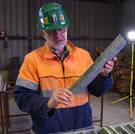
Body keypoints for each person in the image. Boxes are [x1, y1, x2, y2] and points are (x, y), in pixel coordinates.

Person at [14, 3, 117, 134]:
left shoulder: (83, 56)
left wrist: (104, 75)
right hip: (48, 129)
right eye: (51, 31)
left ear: (67, 28)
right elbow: (22, 98)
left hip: (82, 127)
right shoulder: (32, 60)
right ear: (43, 33)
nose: (58, 35)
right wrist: (48, 102)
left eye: (61, 29)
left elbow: (96, 91)